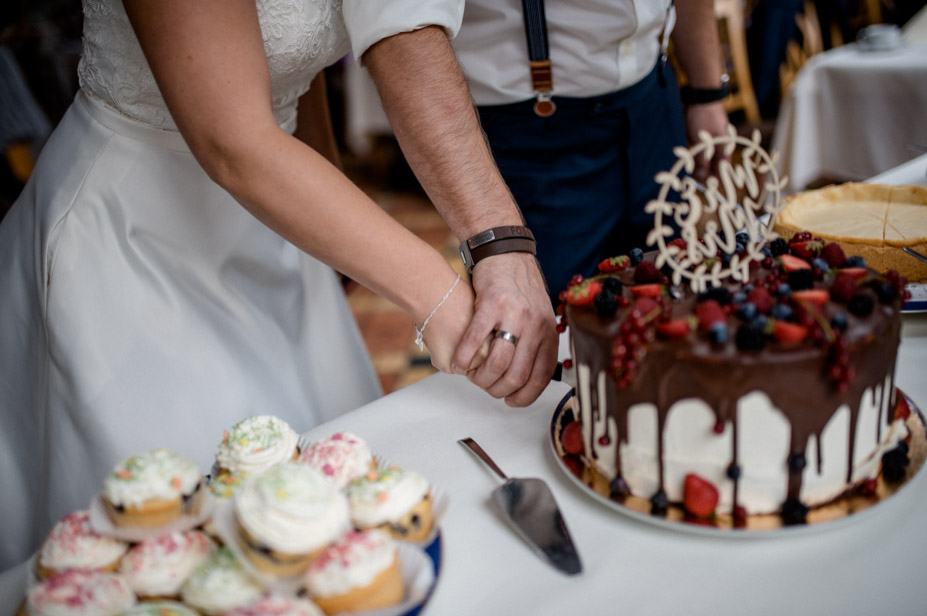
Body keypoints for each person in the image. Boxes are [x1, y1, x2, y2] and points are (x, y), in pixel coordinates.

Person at [0, 0, 557, 573]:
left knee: (327, 527)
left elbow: (293, 64)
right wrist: (435, 290)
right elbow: (230, 141)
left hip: (281, 218)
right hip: (135, 240)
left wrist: (336, 229)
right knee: (186, 552)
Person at [452, 0, 732, 302]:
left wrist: (706, 92)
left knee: (676, 294)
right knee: (553, 323)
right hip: (533, 139)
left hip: (654, 104)